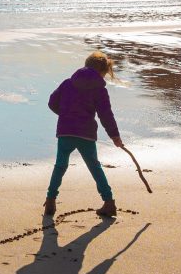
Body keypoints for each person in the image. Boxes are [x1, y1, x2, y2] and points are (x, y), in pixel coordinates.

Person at [44, 51, 123, 218]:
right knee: (94, 167)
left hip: (65, 131)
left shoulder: (67, 83)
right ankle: (108, 202)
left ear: (86, 65)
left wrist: (65, 114)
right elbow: (106, 115)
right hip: (86, 133)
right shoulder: (99, 89)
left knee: (60, 165)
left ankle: (50, 200)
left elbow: (52, 102)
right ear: (102, 72)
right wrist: (115, 136)